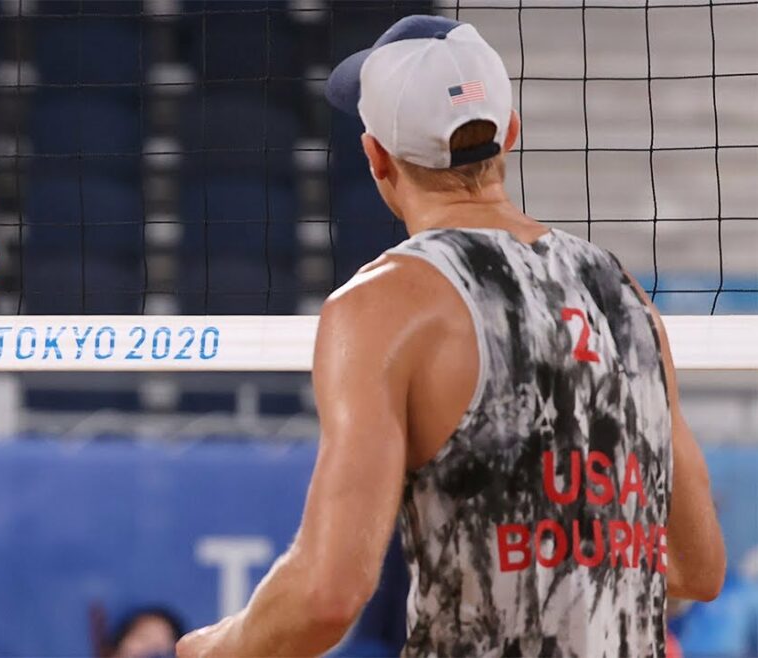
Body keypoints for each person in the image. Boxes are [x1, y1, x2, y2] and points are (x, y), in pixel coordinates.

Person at [177, 14, 726, 657]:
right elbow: (698, 569)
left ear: (376, 157)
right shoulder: (624, 296)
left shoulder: (381, 307)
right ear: (511, 134)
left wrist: (212, 648)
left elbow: (327, 594)